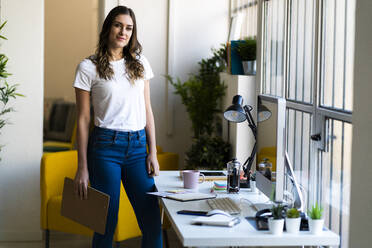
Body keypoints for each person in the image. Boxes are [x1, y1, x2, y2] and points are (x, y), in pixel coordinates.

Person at [72, 6, 162, 248]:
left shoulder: (140, 62)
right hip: (104, 149)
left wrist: (152, 151)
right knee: (105, 224)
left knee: (153, 222)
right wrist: (82, 167)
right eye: (118, 25)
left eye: (129, 28)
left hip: (137, 148)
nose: (123, 31)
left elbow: (147, 109)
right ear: (108, 27)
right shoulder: (87, 67)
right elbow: (82, 119)